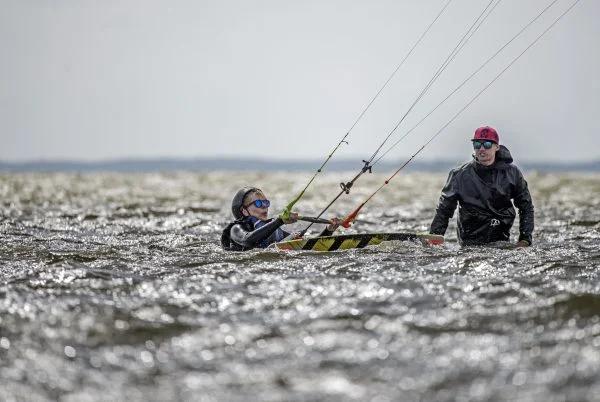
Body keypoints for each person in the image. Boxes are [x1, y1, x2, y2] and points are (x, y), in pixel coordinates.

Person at [429, 126, 534, 247]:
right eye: (477, 144)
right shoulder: (458, 175)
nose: (482, 149)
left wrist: (525, 240)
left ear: (497, 147)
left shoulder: (513, 173)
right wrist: (434, 238)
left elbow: (526, 207)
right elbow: (444, 210)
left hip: (501, 242)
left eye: (487, 144)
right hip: (470, 244)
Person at [221, 187, 340, 251]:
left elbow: (309, 246)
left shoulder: (275, 232)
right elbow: (248, 240)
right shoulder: (236, 229)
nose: (264, 206)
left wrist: (328, 230)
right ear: (244, 211)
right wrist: (279, 221)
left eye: (266, 202)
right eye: (258, 203)